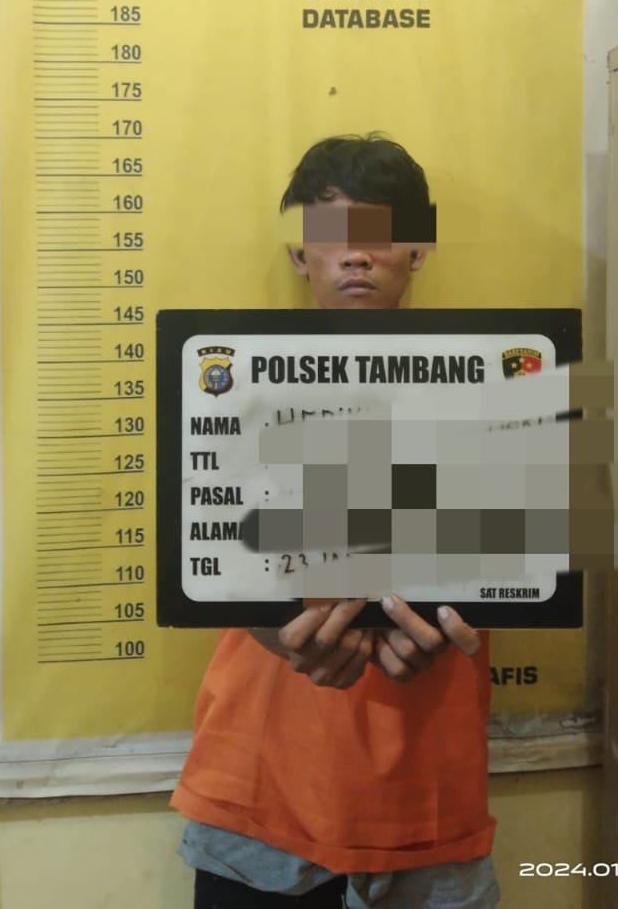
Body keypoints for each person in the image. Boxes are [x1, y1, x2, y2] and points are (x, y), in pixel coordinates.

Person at [172, 134, 499, 909]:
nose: (355, 255)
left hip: (429, 797)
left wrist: (452, 617)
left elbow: (519, 571)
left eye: (379, 234)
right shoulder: (226, 388)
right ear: (300, 255)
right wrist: (277, 632)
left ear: (417, 249)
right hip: (262, 797)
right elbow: (210, 560)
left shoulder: (500, 388)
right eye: (332, 236)